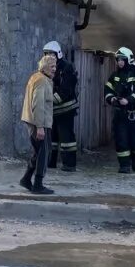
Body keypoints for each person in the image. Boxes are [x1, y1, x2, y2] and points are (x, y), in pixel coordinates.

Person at [104, 47, 135, 174]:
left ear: (129, 59)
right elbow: (107, 90)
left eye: (122, 59)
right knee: (121, 140)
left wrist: (128, 100)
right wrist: (111, 99)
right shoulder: (115, 76)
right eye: (118, 60)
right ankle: (124, 166)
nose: (120, 62)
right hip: (120, 114)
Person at [20, 54, 55, 195]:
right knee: (43, 154)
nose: (54, 69)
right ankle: (38, 184)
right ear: (45, 67)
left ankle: (26, 179)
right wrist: (40, 127)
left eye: (55, 66)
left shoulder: (37, 78)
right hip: (40, 123)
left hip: (36, 122)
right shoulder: (41, 80)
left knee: (38, 152)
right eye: (52, 66)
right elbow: (38, 104)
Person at [43, 41, 79, 172]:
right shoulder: (46, 68)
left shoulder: (67, 67)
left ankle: (69, 165)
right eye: (46, 54)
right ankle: (50, 162)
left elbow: (66, 88)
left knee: (66, 139)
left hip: (66, 110)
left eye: (51, 54)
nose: (49, 56)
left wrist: (51, 99)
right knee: (51, 138)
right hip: (52, 110)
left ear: (58, 54)